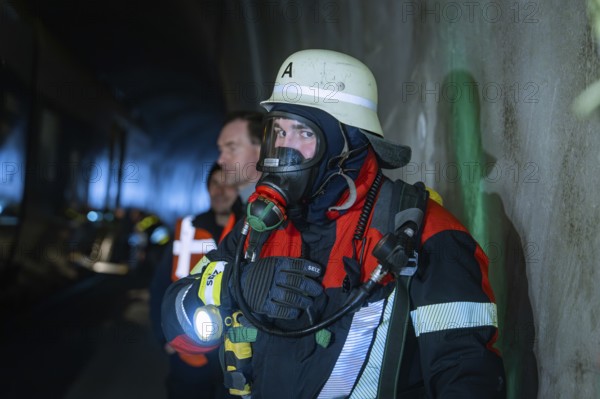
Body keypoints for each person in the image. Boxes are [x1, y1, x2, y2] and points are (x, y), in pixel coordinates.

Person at [161, 49, 506, 398]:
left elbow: (466, 374)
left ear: (350, 143)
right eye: (278, 132)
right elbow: (179, 330)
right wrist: (235, 288)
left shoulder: (425, 235)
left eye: (303, 133)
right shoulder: (260, 230)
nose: (284, 149)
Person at [150, 163, 242, 399]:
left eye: (229, 184)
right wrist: (165, 338)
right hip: (189, 353)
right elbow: (160, 286)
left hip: (236, 354)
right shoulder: (187, 229)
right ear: (207, 188)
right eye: (215, 183)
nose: (221, 191)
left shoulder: (250, 231)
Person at [216, 111, 264, 203]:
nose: (220, 160)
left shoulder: (281, 212)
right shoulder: (238, 208)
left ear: (260, 151)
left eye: (232, 148)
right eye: (221, 150)